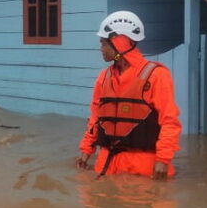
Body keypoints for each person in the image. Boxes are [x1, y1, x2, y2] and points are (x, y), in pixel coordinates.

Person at [76, 11, 182, 179]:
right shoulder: (104, 78)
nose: (101, 48)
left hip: (144, 164)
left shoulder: (156, 75)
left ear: (120, 42)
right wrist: (86, 150)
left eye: (104, 43)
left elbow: (169, 121)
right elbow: (96, 118)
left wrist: (163, 159)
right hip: (107, 164)